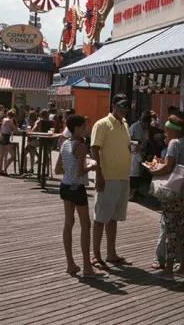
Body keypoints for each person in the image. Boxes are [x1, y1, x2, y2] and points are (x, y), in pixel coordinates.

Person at [148, 115, 184, 280]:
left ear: (172, 130)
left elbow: (169, 167)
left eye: (166, 130)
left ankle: (168, 270)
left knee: (171, 230)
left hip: (175, 194)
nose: (165, 132)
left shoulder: (174, 143)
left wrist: (153, 170)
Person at [60, 114, 105, 279]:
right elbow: (80, 172)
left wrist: (72, 167)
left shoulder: (64, 143)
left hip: (65, 186)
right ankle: (87, 267)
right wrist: (92, 166)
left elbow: (58, 168)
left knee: (68, 223)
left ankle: (70, 263)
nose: (86, 129)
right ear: (77, 128)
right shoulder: (81, 146)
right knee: (85, 226)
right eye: (84, 126)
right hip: (77, 188)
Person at [90, 94, 132, 268]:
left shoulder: (125, 124)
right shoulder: (102, 124)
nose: (124, 109)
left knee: (113, 218)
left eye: (126, 106)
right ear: (113, 105)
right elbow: (94, 149)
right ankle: (96, 256)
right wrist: (99, 175)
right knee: (100, 218)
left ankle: (111, 254)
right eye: (121, 106)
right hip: (108, 177)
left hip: (123, 176)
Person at [128, 110, 153, 201]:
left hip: (142, 153)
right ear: (143, 121)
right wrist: (136, 144)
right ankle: (132, 193)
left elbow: (146, 140)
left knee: (139, 174)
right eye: (146, 123)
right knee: (134, 173)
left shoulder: (146, 129)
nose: (147, 126)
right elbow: (128, 140)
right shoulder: (134, 127)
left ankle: (136, 191)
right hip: (134, 153)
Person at [0, 109, 18, 176]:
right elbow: (15, 129)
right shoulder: (10, 121)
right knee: (13, 156)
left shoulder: (4, 119)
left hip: (1, 137)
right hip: (6, 138)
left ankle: (0, 170)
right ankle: (5, 169)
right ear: (13, 116)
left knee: (1, 156)